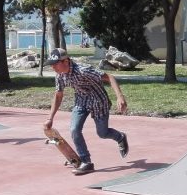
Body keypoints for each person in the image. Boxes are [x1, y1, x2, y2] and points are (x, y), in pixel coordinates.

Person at [44, 48, 129, 176]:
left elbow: (109, 77)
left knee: (103, 133)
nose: (53, 67)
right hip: (81, 101)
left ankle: (120, 137)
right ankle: (86, 162)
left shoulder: (83, 70)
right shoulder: (60, 76)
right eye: (51, 64)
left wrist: (120, 97)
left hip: (98, 101)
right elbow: (58, 95)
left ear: (66, 61)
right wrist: (50, 117)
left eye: (55, 64)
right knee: (74, 129)